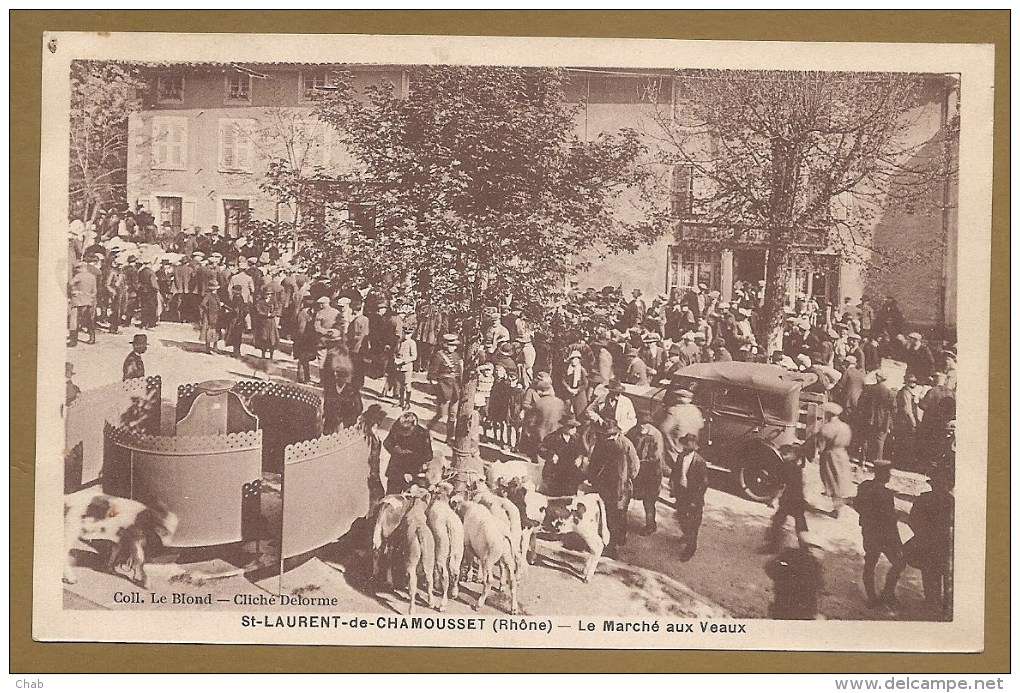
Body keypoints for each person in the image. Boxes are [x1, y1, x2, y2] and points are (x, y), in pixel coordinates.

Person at [854, 459, 905, 608]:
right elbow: (888, 520)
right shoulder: (886, 494)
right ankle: (887, 594)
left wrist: (868, 517)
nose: (889, 476)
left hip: (868, 532)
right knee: (899, 563)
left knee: (870, 563)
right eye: (888, 473)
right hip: (884, 535)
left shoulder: (864, 486)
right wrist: (896, 518)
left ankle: (872, 598)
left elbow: (857, 505)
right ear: (882, 474)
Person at [905, 466, 955, 618]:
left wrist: (922, 536)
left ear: (933, 485)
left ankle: (932, 603)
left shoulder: (923, 499)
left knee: (929, 573)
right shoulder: (951, 501)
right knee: (947, 574)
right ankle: (948, 605)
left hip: (927, 544)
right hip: (946, 545)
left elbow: (912, 520)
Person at [586, 421, 640, 558]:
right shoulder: (601, 442)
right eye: (605, 435)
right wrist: (592, 477)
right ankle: (612, 541)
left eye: (611, 435)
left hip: (620, 486)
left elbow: (635, 466)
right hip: (604, 485)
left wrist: (627, 478)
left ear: (617, 433)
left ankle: (614, 545)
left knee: (618, 514)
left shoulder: (626, 444)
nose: (607, 438)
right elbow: (594, 462)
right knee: (607, 514)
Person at [808, 402, 854, 517]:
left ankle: (837, 508)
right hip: (842, 454)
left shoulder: (826, 428)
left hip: (830, 456)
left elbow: (821, 446)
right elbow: (848, 442)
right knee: (840, 479)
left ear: (828, 414)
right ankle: (839, 506)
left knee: (832, 480)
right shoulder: (845, 427)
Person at [765, 532, 825, 620]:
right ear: (811, 549)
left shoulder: (785, 557)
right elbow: (820, 584)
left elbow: (769, 568)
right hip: (803, 611)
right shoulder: (813, 566)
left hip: (779, 608)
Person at [669, 433, 708, 561]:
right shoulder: (680, 456)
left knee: (693, 523)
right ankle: (686, 535)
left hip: (693, 497)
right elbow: (675, 472)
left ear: (694, 448)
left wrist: (695, 501)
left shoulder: (700, 462)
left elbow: (703, 484)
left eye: (689, 446)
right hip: (681, 493)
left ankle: (690, 549)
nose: (686, 448)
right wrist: (673, 486)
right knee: (681, 516)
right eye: (685, 445)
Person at [627, 411, 666, 535]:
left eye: (645, 424)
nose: (641, 426)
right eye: (640, 423)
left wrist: (640, 461)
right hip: (637, 472)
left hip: (651, 473)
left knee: (649, 501)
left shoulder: (656, 435)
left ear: (650, 424)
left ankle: (650, 525)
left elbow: (656, 457)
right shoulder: (634, 432)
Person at [765, 444, 809, 551]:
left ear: (791, 455)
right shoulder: (798, 468)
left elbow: (781, 486)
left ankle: (773, 546)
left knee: (777, 522)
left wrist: (773, 499)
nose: (782, 457)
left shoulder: (786, 467)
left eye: (784, 454)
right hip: (799, 500)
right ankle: (804, 547)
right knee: (800, 525)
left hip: (787, 500)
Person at [383, 412, 434, 495]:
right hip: (396, 469)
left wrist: (412, 454)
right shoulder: (396, 427)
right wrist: (395, 449)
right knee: (391, 498)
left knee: (412, 499)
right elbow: (387, 443)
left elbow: (428, 456)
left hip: (413, 471)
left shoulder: (422, 434)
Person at [427, 334, 463, 440]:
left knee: (453, 414)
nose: (453, 347)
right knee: (441, 413)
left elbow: (459, 372)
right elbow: (432, 374)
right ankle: (427, 428)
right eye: (451, 345)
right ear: (445, 345)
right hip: (443, 388)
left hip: (455, 388)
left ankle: (449, 437)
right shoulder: (439, 356)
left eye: (454, 345)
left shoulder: (457, 356)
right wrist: (437, 388)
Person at [520, 379, 566, 463]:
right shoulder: (560, 402)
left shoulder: (539, 403)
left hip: (541, 434)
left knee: (540, 457)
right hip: (556, 433)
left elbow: (532, 422)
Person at [539, 416, 587, 496]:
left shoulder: (577, 438)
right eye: (571, 427)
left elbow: (582, 451)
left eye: (575, 427)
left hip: (571, 475)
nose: (574, 429)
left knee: (570, 498)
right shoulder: (552, 437)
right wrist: (551, 455)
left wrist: (580, 457)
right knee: (555, 499)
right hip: (555, 474)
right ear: (564, 426)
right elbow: (541, 448)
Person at [855, 370, 895, 463]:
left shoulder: (869, 389)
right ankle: (877, 463)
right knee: (879, 441)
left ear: (877, 378)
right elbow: (893, 408)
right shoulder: (890, 393)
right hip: (883, 420)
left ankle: (862, 461)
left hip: (868, 418)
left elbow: (860, 403)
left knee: (865, 439)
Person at [320, 330, 353, 434]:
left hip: (333, 386)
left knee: (331, 412)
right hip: (345, 385)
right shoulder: (345, 351)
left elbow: (327, 372)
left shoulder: (332, 354)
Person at [358, 403, 388, 505]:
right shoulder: (369, 435)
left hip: (375, 467)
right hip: (371, 469)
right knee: (376, 495)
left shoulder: (373, 433)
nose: (380, 422)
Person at [68, 262, 97, 347]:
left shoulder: (78, 276)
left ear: (80, 268)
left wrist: (74, 291)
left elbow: (70, 283)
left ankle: (73, 341)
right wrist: (90, 297)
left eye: (77, 269)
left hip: (78, 301)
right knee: (90, 320)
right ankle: (92, 338)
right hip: (90, 301)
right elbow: (94, 290)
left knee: (74, 321)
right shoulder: (92, 276)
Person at [293, 295, 319, 384]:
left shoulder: (307, 312)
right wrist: (301, 339)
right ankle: (302, 377)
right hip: (303, 339)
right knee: (302, 359)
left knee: (305, 359)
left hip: (307, 339)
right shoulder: (303, 313)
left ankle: (305, 377)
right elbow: (301, 328)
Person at [392, 326, 417, 409]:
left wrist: (403, 361)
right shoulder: (399, 341)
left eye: (408, 334)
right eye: (405, 333)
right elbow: (395, 351)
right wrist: (395, 358)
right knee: (400, 384)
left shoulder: (412, 343)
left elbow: (414, 357)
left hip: (407, 367)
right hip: (398, 367)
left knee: (407, 385)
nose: (406, 335)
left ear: (412, 334)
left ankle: (407, 403)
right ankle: (401, 401)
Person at [251, 286, 280, 360]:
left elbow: (277, 309)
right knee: (263, 338)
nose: (268, 295)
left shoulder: (273, 301)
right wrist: (266, 314)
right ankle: (263, 354)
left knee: (272, 339)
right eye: (266, 294)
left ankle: (271, 355)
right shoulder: (259, 301)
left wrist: (272, 314)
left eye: (269, 294)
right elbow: (258, 310)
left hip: (271, 322)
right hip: (263, 322)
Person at [223, 284, 248, 356]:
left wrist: (226, 307)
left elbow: (236, 310)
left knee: (236, 335)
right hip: (239, 319)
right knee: (237, 335)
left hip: (236, 319)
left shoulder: (237, 298)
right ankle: (236, 351)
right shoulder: (239, 297)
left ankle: (236, 352)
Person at [198, 281, 221, 353]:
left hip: (216, 314)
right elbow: (202, 304)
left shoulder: (216, 295)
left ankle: (215, 347)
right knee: (209, 330)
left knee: (216, 330)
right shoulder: (208, 295)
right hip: (209, 315)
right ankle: (208, 347)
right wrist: (209, 309)